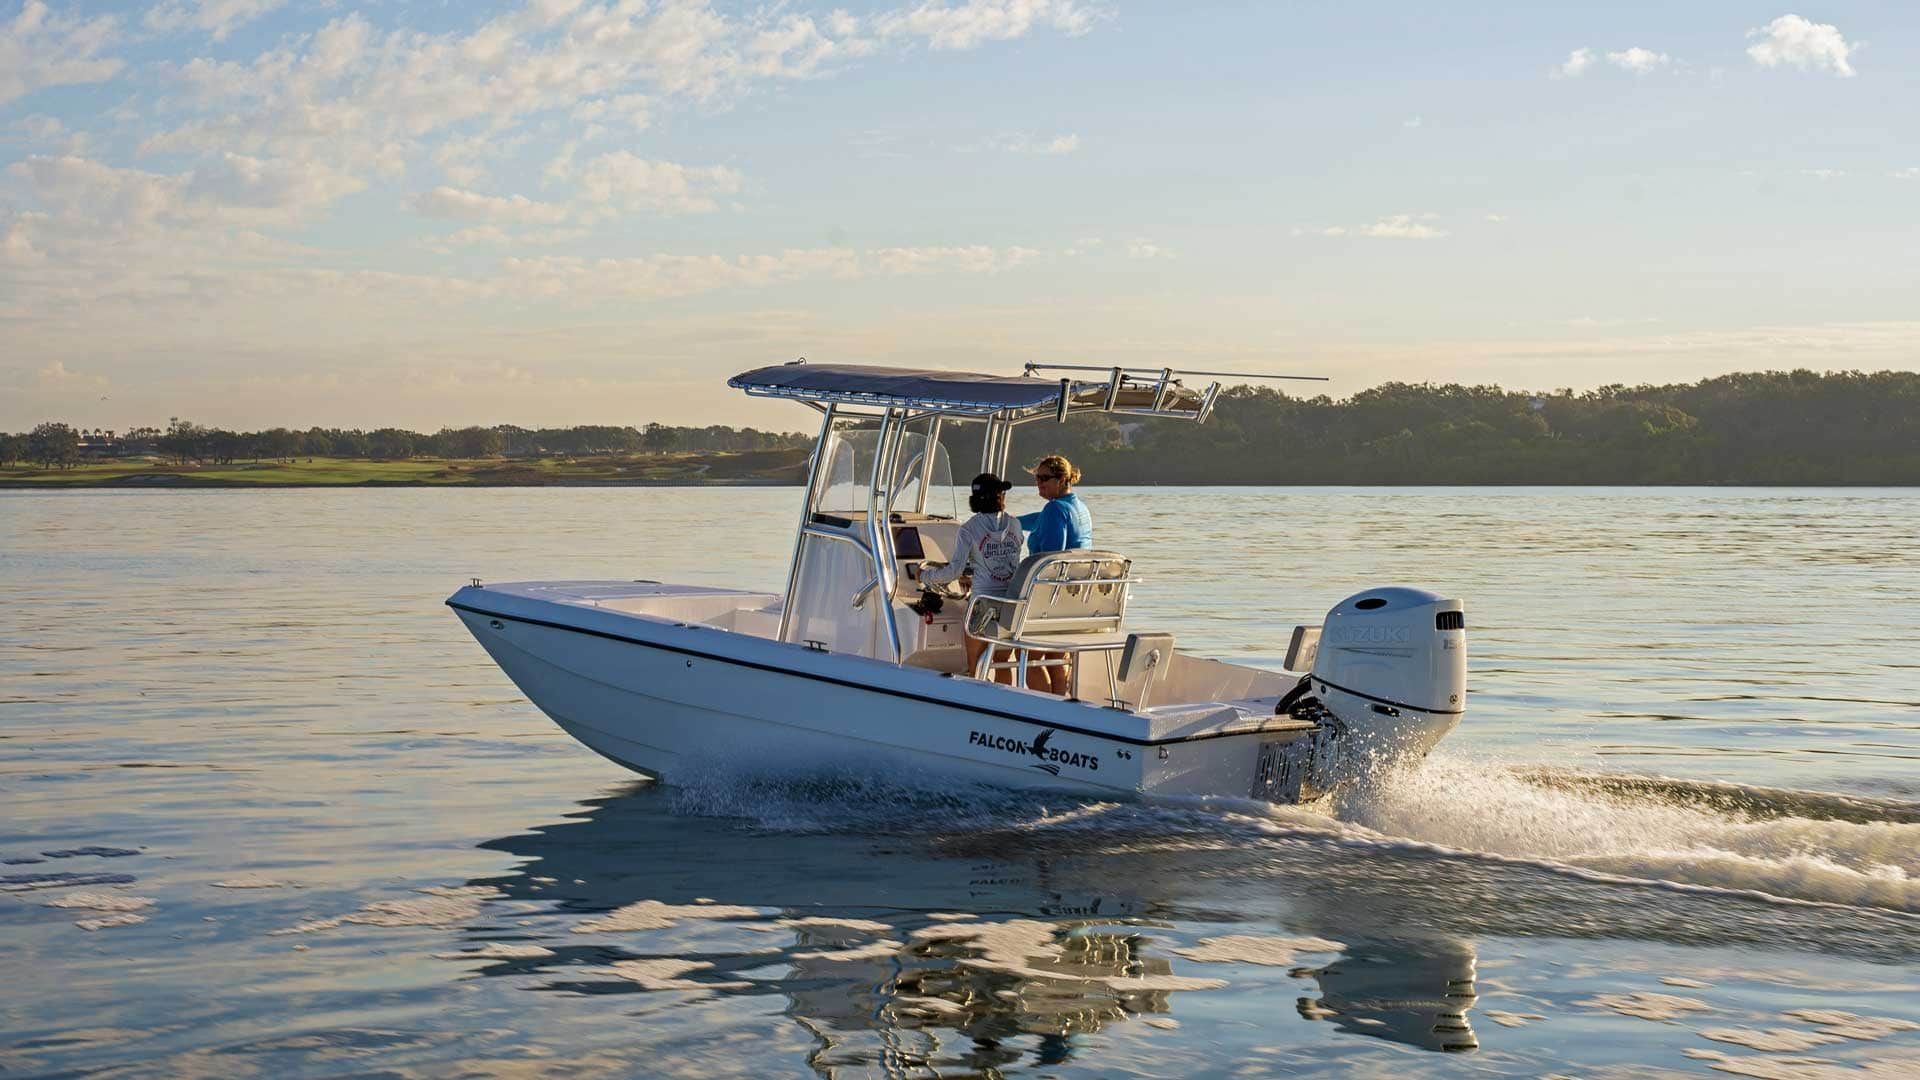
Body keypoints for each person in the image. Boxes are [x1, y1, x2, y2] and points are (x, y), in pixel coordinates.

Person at [917, 473, 1024, 683]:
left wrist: (926, 576)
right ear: (1000, 496)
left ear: (975, 499)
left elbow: (953, 572)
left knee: (974, 666)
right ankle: (1006, 704)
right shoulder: (1015, 524)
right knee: (1002, 662)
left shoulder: (968, 529)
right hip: (1011, 604)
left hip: (982, 604)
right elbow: (1006, 558)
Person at [1018, 454, 1092, 694]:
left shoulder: (1054, 509)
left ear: (1062, 480)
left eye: (1044, 479)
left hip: (1048, 597)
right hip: (1072, 598)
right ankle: (1061, 704)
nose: (1038, 483)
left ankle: (1047, 708)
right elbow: (1036, 521)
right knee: (1056, 658)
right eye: (1037, 478)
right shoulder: (1078, 507)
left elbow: (1049, 560)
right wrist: (1005, 521)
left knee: (1026, 658)